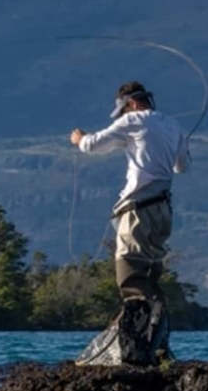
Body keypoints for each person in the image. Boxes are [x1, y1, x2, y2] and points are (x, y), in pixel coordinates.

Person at [69, 80, 191, 364]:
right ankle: (158, 345)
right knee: (150, 273)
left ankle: (137, 350)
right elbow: (182, 167)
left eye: (123, 110)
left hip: (138, 209)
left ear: (132, 104)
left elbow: (93, 145)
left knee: (131, 273)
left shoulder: (134, 121)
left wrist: (79, 139)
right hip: (163, 211)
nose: (122, 116)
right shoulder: (173, 126)